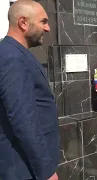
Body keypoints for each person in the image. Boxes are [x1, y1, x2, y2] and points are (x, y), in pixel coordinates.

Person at [0, 1, 60, 180]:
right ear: (23, 23)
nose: (48, 28)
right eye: (43, 21)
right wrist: (46, 170)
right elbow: (23, 118)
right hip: (23, 168)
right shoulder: (11, 57)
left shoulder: (15, 52)